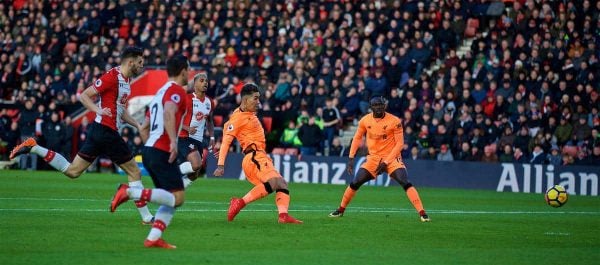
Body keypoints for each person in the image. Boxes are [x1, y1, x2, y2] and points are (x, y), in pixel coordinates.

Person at [9, 47, 154, 224]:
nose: (142, 65)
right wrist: (98, 110)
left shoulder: (126, 80)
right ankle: (146, 217)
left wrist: (137, 124)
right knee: (134, 171)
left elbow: (121, 111)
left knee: (72, 171)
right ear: (130, 62)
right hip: (106, 131)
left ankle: (34, 147)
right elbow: (84, 96)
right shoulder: (112, 76)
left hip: (100, 131)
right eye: (140, 62)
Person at [110, 54, 190, 249]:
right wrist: (172, 142)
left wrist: (150, 149)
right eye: (188, 69)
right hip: (161, 149)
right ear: (183, 71)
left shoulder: (159, 93)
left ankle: (154, 237)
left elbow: (144, 127)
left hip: (151, 150)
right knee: (177, 197)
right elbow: (170, 112)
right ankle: (129, 192)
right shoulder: (176, 91)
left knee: (169, 197)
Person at [329, 96, 431, 222]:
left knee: (405, 181)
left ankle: (422, 213)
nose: (378, 107)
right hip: (373, 158)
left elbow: (399, 144)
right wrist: (351, 158)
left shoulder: (395, 121)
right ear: (371, 107)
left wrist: (386, 162)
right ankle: (340, 210)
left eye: (380, 105)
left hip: (392, 157)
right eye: (375, 105)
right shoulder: (365, 121)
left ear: (385, 106)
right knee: (356, 182)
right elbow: (357, 138)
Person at [213, 83, 302, 224]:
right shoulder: (237, 118)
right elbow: (226, 141)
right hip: (253, 156)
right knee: (273, 182)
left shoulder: (245, 114)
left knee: (282, 183)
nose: (258, 102)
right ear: (245, 100)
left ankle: (283, 216)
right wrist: (221, 165)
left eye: (259, 98)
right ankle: (240, 202)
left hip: (260, 155)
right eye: (255, 98)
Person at [177, 72, 215, 188]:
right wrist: (186, 127)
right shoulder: (187, 99)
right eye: (202, 81)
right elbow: (174, 117)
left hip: (198, 139)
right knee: (196, 164)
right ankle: (171, 172)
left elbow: (209, 121)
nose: (205, 83)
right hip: (185, 137)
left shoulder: (210, 102)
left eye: (206, 81)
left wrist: (212, 137)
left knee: (195, 174)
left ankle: (178, 189)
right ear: (195, 84)